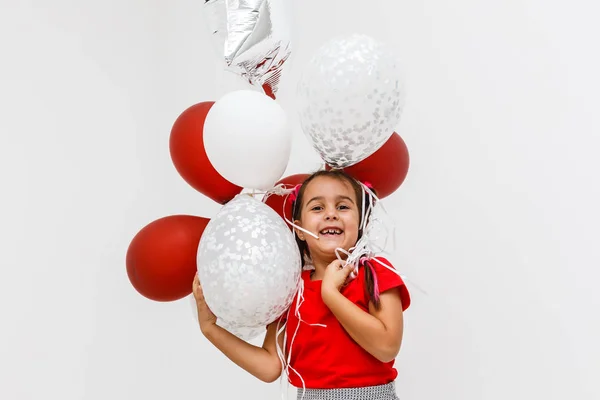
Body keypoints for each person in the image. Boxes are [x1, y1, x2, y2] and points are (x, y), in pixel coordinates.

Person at [193, 169, 411, 399]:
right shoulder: (289, 288)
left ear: (361, 222)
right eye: (317, 208)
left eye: (343, 206)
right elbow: (269, 367)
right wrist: (210, 329)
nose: (331, 214)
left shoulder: (375, 273)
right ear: (299, 230)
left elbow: (387, 348)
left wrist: (331, 294)